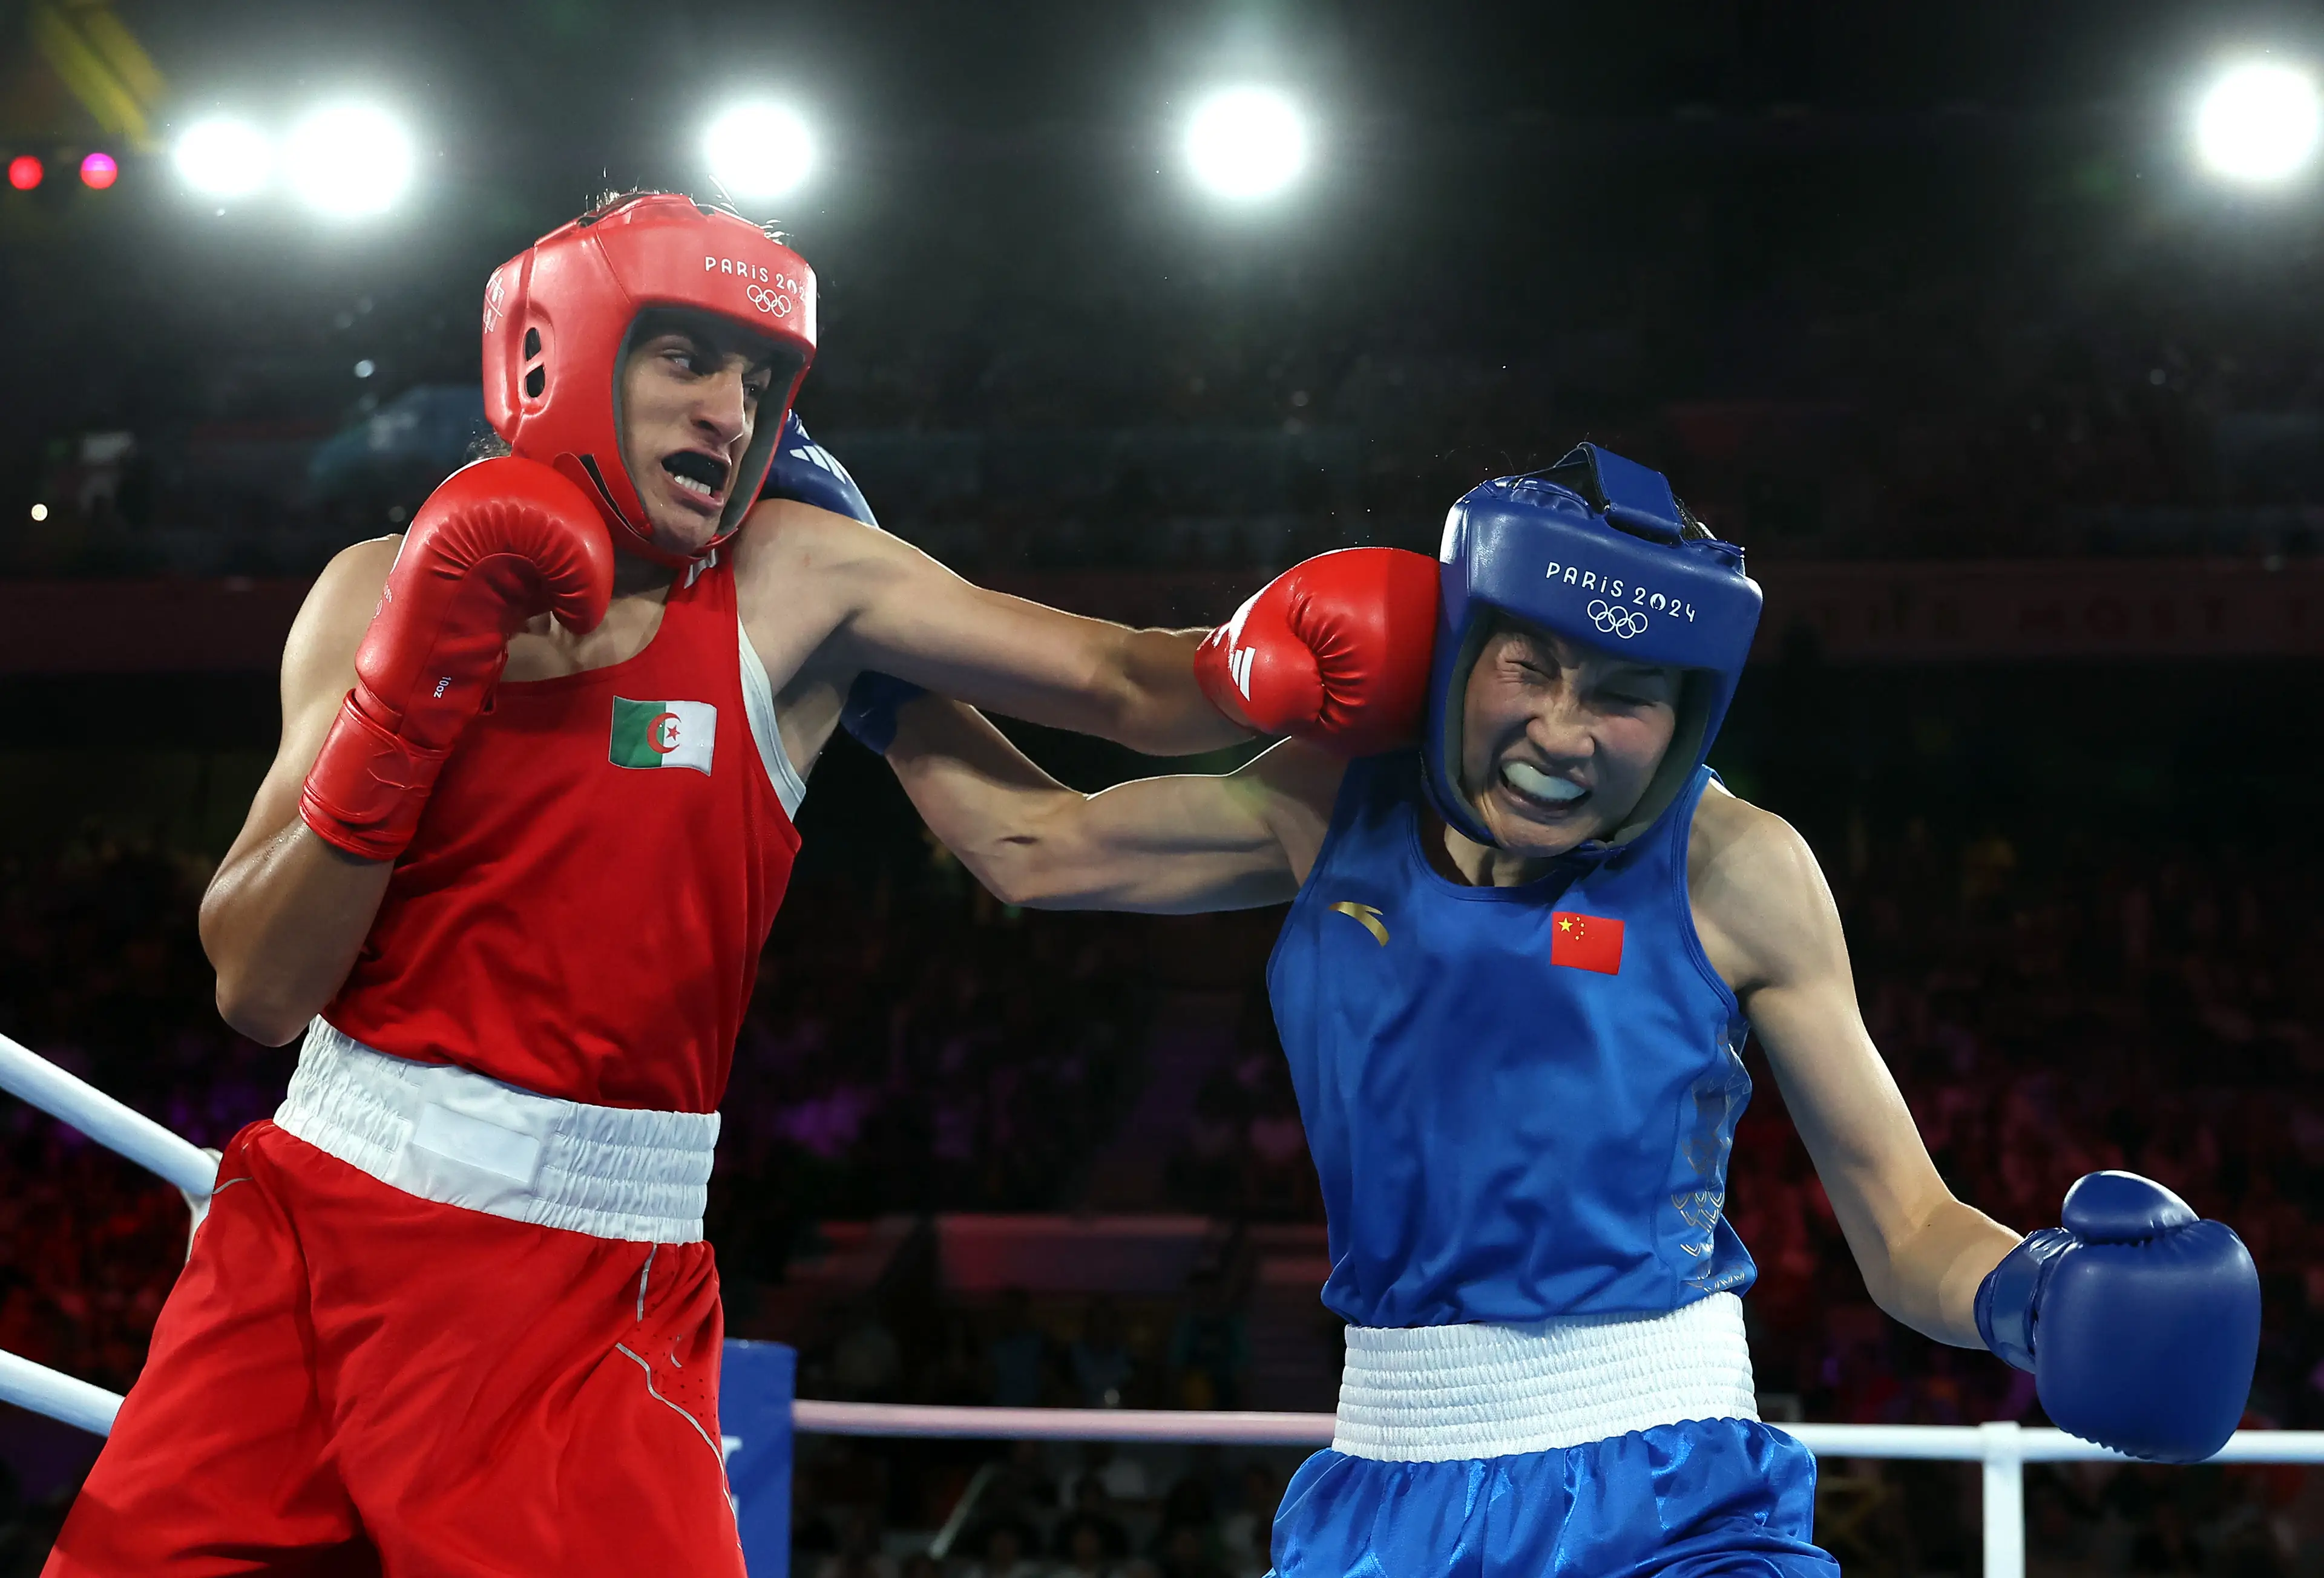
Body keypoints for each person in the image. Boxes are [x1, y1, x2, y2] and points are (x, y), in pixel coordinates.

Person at [44, 192, 1417, 1575]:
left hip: (588, 1284)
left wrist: (1277, 653)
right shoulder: (373, 591)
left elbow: (1128, 684)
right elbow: (258, 989)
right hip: (315, 1228)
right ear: (555, 353)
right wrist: (411, 699)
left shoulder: (793, 579)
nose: (731, 410)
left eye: (761, 379)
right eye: (686, 357)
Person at [847, 444, 2264, 1575]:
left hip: (1671, 1484)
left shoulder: (1740, 869)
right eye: (1531, 666)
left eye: (1625, 694)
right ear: (1465, 653)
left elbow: (1905, 1229)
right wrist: (863, 639)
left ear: (1688, 712)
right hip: (1385, 1479)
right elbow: (1037, 847)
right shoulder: (1331, 798)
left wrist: (2032, 1294)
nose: (1561, 729)